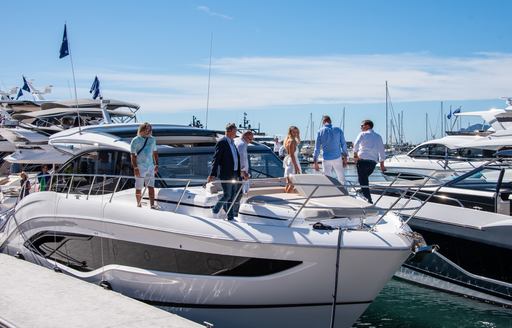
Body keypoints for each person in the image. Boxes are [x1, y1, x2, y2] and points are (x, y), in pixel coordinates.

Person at [207, 123, 242, 221]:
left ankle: (230, 217)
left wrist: (240, 173)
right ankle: (215, 210)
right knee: (227, 195)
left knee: (232, 196)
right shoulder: (222, 142)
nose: (236, 133)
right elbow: (216, 159)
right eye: (235, 131)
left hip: (235, 173)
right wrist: (212, 174)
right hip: (226, 174)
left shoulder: (232, 143)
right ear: (229, 131)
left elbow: (236, 159)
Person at [353, 119, 386, 204]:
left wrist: (355, 156)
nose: (361, 127)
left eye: (362, 126)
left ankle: (368, 200)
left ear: (367, 126)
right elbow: (381, 151)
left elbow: (356, 145)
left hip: (362, 161)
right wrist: (382, 165)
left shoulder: (362, 134)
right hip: (372, 163)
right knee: (364, 179)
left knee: (363, 180)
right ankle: (363, 193)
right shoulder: (378, 136)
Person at [313, 115, 348, 184]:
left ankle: (329, 191)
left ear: (323, 122)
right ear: (330, 121)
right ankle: (344, 191)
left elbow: (317, 148)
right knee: (341, 176)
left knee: (327, 178)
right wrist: (345, 158)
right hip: (337, 157)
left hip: (326, 158)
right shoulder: (338, 130)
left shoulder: (320, 132)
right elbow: (343, 144)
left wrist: (315, 162)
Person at [130, 122, 158, 208]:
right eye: (146, 129)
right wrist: (135, 168)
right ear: (141, 129)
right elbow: (132, 155)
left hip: (150, 166)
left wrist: (156, 164)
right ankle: (139, 204)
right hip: (140, 166)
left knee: (151, 186)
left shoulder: (152, 139)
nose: (148, 131)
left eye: (150, 129)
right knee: (139, 186)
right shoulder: (135, 140)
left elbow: (155, 152)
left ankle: (152, 205)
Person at [283, 126, 302, 193]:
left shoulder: (288, 140)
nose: (295, 133)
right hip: (292, 163)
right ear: (290, 132)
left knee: (289, 184)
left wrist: (298, 136)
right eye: (294, 132)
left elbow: (291, 155)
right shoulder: (292, 141)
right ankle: (287, 197)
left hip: (289, 163)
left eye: (296, 132)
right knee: (292, 184)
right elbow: (292, 155)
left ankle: (286, 197)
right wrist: (296, 166)